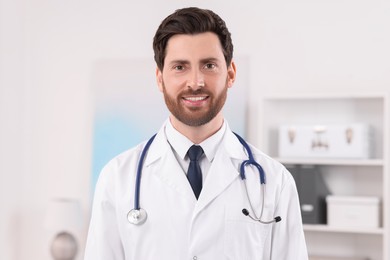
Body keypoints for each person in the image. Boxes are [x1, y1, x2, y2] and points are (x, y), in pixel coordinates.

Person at [84, 7, 308, 260]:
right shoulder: (117, 178)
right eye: (180, 67)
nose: (195, 82)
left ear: (230, 73)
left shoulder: (275, 182)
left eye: (209, 65)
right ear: (160, 78)